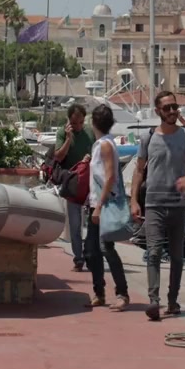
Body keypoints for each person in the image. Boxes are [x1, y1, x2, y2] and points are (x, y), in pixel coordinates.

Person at [130, 91, 185, 321]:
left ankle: (172, 301)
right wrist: (133, 201)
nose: (172, 111)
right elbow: (138, 171)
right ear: (157, 111)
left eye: (174, 107)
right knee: (154, 252)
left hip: (178, 206)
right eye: (167, 108)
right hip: (154, 205)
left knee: (177, 257)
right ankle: (153, 301)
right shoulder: (148, 138)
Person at [84, 104, 130, 310]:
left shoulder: (105, 145)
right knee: (91, 251)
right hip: (96, 203)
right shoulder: (101, 145)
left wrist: (99, 206)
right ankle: (99, 292)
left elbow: (110, 177)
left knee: (105, 249)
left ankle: (122, 293)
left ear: (93, 122)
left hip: (104, 205)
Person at [53, 103, 94, 272]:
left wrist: (90, 157)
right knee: (75, 224)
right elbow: (58, 156)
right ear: (69, 121)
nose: (78, 126)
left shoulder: (90, 132)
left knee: (92, 224)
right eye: (74, 123)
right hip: (72, 183)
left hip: (90, 183)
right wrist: (68, 139)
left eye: (81, 122)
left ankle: (89, 254)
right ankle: (78, 258)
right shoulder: (62, 133)